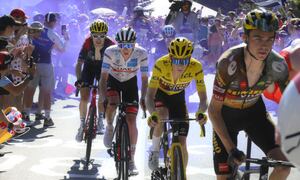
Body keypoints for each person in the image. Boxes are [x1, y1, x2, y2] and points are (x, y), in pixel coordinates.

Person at [208, 9, 291, 180]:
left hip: (255, 114)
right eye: (258, 37)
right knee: (223, 176)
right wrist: (231, 149)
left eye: (270, 38)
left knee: (283, 166)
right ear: (244, 37)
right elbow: (213, 111)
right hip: (225, 118)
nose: (264, 45)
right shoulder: (228, 62)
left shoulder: (278, 65)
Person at [146, 37, 208, 171]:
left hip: (178, 99)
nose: (180, 65)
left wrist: (201, 112)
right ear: (170, 57)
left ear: (190, 58)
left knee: (182, 142)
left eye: (184, 60)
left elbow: (203, 98)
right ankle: (155, 150)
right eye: (176, 60)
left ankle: (181, 174)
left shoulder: (196, 66)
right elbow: (149, 96)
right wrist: (153, 114)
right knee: (161, 116)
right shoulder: (160, 64)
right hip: (160, 95)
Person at [98, 27, 148, 175]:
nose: (125, 49)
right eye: (122, 45)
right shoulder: (110, 51)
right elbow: (103, 78)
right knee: (112, 103)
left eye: (128, 45)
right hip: (113, 80)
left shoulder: (142, 53)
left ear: (134, 44)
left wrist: (143, 97)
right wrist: (102, 96)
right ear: (117, 44)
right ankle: (109, 126)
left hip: (130, 84)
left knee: (131, 120)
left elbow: (145, 79)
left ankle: (131, 159)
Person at [22, 12, 68, 127]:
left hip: (32, 64)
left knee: (30, 90)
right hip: (46, 64)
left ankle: (26, 115)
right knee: (46, 92)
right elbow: (62, 49)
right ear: (53, 22)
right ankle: (46, 117)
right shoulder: (52, 33)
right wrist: (66, 39)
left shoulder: (31, 31)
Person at [75, 19, 115, 141]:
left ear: (106, 35)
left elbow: (115, 65)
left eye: (102, 36)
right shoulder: (87, 43)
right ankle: (82, 124)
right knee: (84, 97)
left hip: (104, 69)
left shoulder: (111, 44)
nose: (98, 39)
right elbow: (78, 64)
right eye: (95, 36)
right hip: (89, 68)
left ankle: (100, 120)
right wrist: (79, 79)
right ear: (91, 35)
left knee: (102, 95)